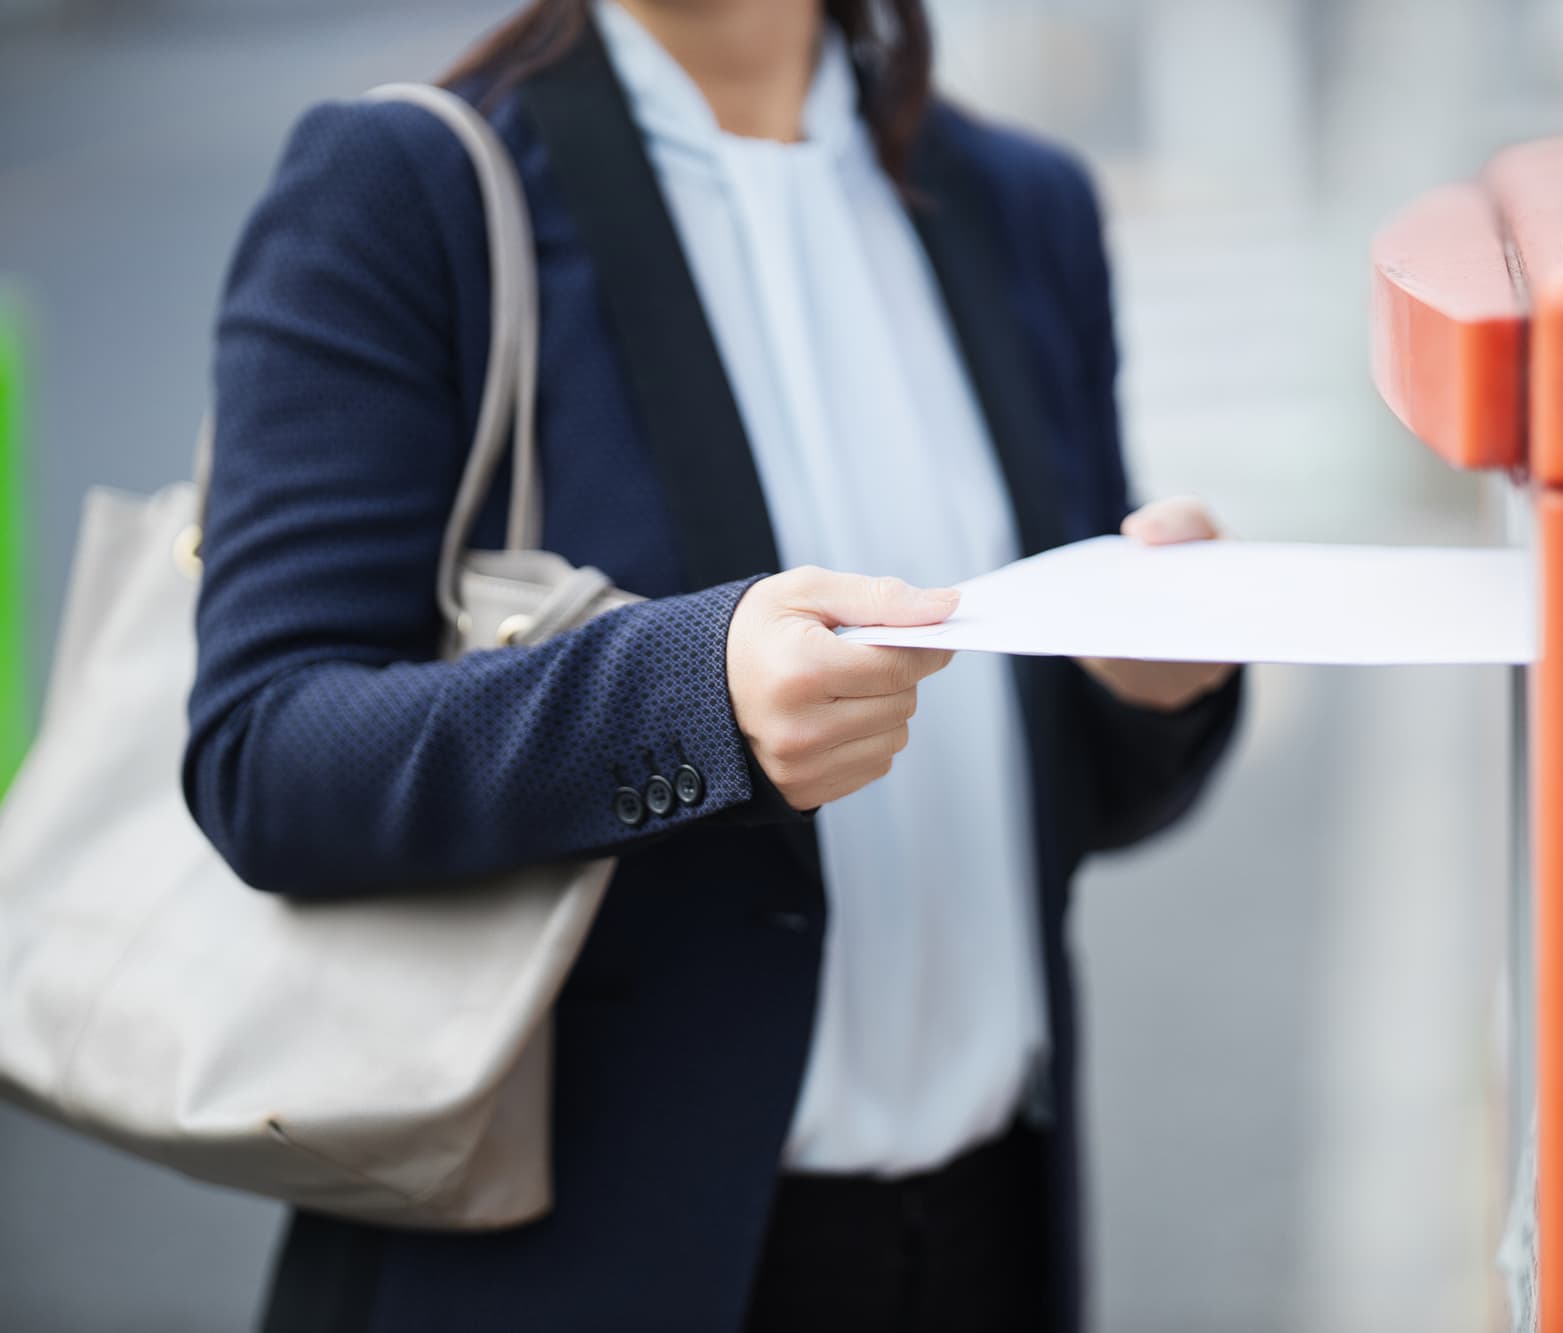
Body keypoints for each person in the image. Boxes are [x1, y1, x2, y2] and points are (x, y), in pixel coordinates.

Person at [184, 0, 1242, 1328]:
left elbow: (1068, 803)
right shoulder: (413, 190)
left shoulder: (1019, 205)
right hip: (579, 1255)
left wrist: (1148, 688)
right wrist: (694, 697)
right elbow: (266, 756)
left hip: (986, 1228)